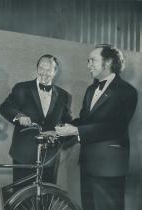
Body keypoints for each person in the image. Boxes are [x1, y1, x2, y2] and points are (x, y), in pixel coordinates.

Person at [56, 45, 137, 210]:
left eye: (93, 60)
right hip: (88, 164)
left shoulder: (127, 91)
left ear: (107, 62)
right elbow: (85, 120)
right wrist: (62, 130)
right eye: (88, 61)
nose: (88, 65)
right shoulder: (91, 89)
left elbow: (115, 127)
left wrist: (77, 131)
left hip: (109, 166)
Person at [0, 54, 72, 188]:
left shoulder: (63, 95)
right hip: (23, 153)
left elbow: (66, 121)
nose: (44, 73)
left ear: (55, 72)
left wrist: (58, 133)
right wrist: (19, 116)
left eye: (48, 70)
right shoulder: (22, 88)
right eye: (41, 68)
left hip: (48, 156)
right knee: (22, 197)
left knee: (45, 195)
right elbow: (5, 107)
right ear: (37, 68)